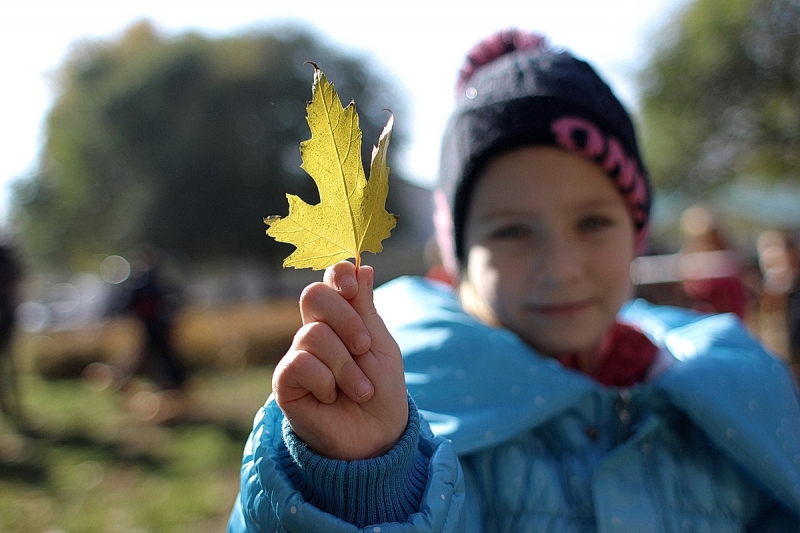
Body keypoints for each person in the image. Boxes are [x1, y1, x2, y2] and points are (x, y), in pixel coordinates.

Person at [228, 29, 800, 532]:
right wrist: (360, 482)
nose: (560, 265)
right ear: (457, 252)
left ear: (638, 232)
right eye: (511, 232)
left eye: (593, 222)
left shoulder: (727, 401)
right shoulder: (399, 416)